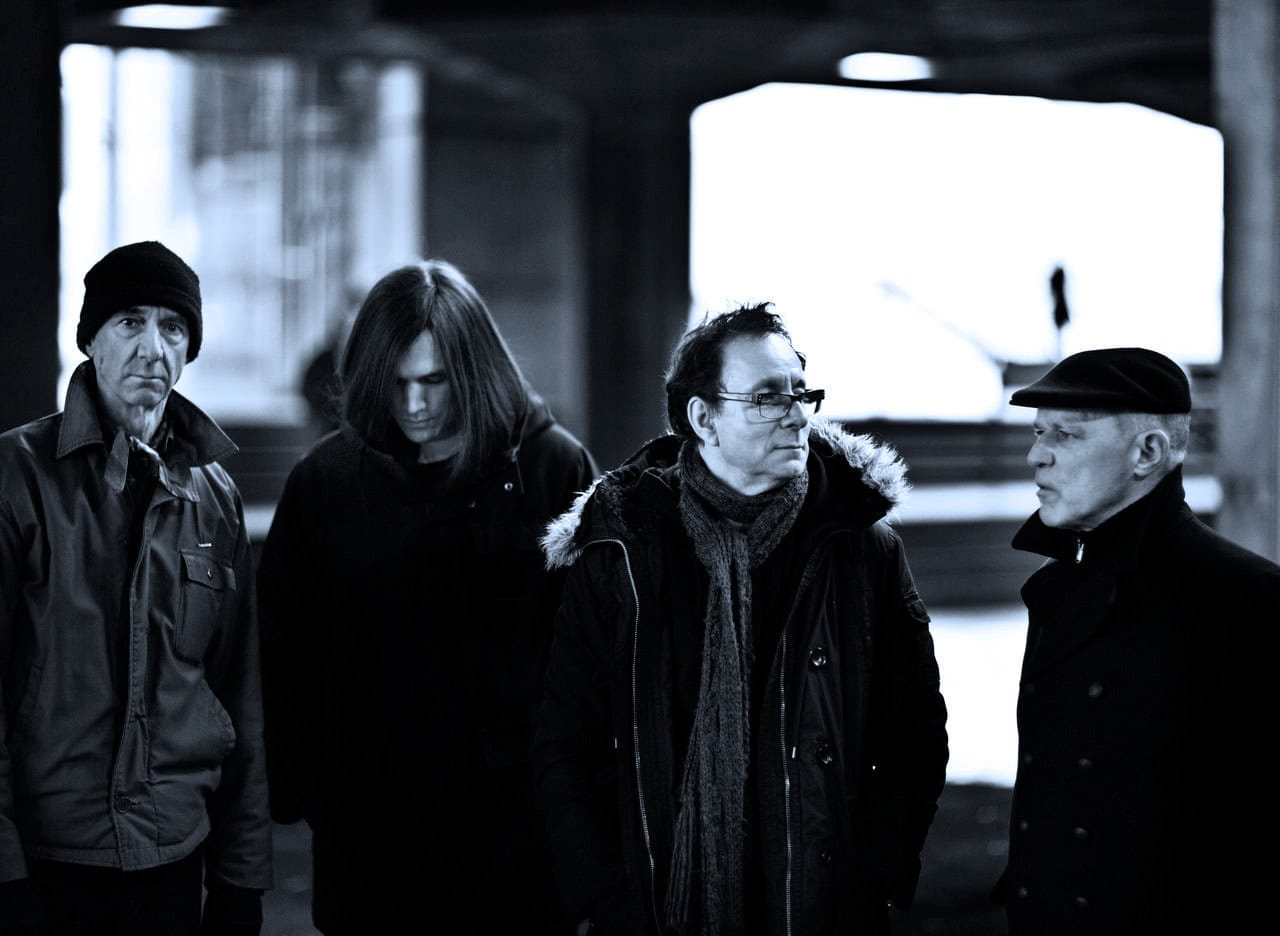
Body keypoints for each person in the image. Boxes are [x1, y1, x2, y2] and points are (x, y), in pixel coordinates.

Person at [534, 302, 949, 936]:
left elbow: (913, 730)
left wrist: (876, 876)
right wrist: (602, 898)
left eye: (799, 392)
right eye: (764, 398)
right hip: (659, 901)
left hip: (823, 904)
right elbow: (567, 738)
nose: (796, 414)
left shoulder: (859, 546)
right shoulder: (621, 549)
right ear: (703, 418)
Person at [257, 258, 598, 934]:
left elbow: (592, 655)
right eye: (397, 384)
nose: (413, 405)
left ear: (472, 370)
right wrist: (312, 794)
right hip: (374, 838)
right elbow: (284, 649)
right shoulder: (325, 482)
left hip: (517, 841)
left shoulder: (553, 467)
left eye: (435, 381)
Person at [0, 241, 272, 935]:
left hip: (173, 857)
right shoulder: (18, 477)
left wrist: (242, 877)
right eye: (130, 322)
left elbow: (239, 694)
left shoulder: (215, 497)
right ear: (90, 337)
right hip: (48, 858)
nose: (154, 348)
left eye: (173, 328)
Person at [996, 347, 1280, 934]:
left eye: (1065, 436)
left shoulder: (1247, 596)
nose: (1035, 455)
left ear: (1146, 453)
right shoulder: (1056, 590)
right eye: (1037, 432)